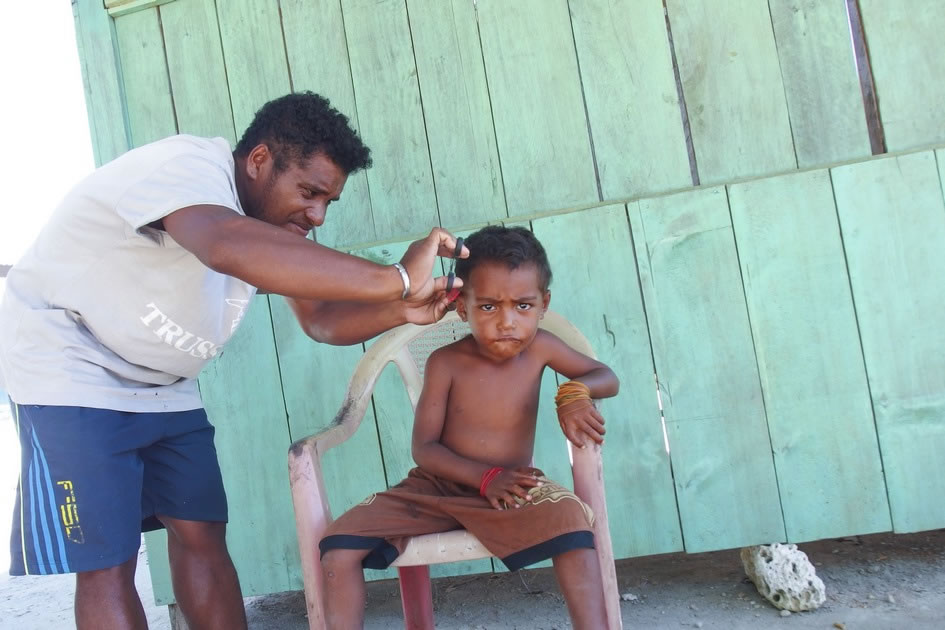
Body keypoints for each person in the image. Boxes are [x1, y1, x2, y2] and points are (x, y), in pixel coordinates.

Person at [0, 91, 467, 630]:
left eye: (328, 202)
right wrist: (398, 278)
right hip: (69, 363)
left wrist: (404, 309)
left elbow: (321, 320)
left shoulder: (267, 232)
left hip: (164, 383)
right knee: (109, 561)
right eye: (310, 192)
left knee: (201, 533)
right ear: (259, 160)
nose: (316, 214)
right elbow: (223, 243)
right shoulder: (187, 167)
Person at [319, 225, 620, 629]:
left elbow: (604, 375)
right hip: (435, 490)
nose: (508, 322)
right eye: (489, 307)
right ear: (462, 307)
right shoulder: (445, 362)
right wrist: (486, 476)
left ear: (544, 304)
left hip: (511, 489)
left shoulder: (541, 348)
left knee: (572, 521)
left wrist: (574, 394)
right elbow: (424, 448)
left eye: (523, 306)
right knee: (338, 547)